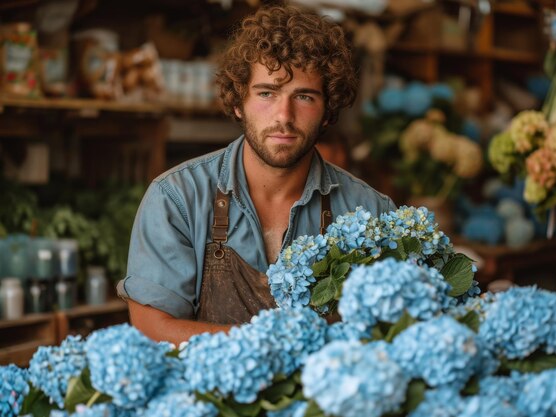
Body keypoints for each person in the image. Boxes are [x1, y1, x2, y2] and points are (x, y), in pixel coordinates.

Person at [117, 4, 396, 345]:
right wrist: (272, 342)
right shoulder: (177, 197)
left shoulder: (371, 212)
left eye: (304, 96)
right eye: (267, 93)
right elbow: (152, 328)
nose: (284, 115)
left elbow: (391, 331)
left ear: (328, 112)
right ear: (238, 102)